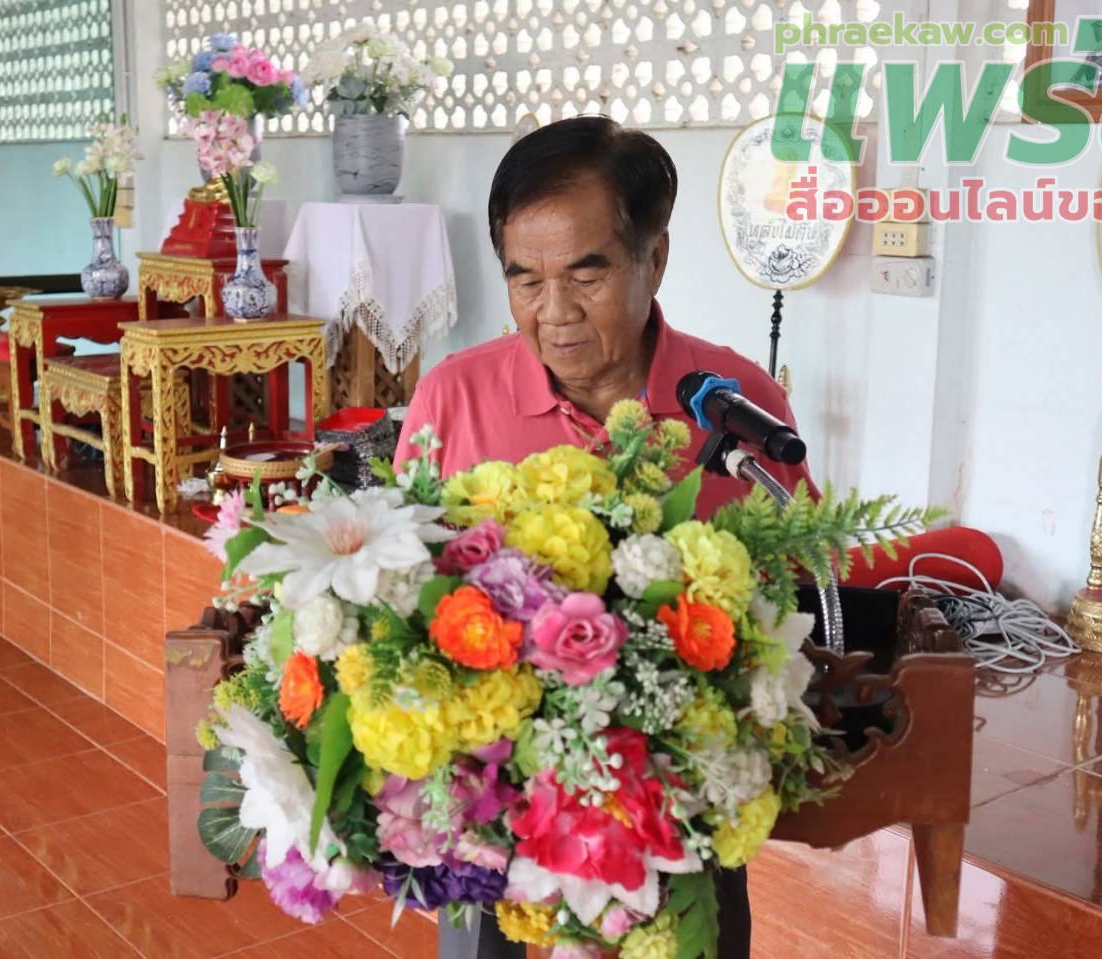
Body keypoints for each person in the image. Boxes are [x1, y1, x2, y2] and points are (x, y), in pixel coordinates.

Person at [395, 115, 1001, 959]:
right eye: (524, 280)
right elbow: (405, 594)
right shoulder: (452, 398)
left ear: (656, 258)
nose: (553, 312)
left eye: (586, 273)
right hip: (495, 793)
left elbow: (800, 594)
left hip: (684, 798)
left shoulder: (735, 404)